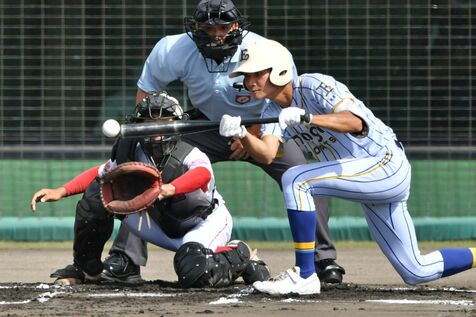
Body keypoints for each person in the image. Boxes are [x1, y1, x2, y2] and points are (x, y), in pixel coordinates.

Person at [104, 0, 344, 285]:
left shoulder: (265, 50)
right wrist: (148, 140)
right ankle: (126, 258)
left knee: (303, 178)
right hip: (207, 125)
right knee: (145, 167)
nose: (216, 34)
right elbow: (146, 94)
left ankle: (322, 260)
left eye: (223, 26)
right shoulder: (172, 49)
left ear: (236, 26)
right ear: (195, 28)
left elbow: (282, 99)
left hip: (264, 125)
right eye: (208, 27)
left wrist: (251, 135)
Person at [218, 39, 476, 295]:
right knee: (416, 271)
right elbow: (266, 154)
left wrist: (309, 117)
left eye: (257, 73)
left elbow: (355, 123)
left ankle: (305, 274)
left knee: (297, 179)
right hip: (367, 177)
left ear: (279, 69)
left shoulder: (314, 84)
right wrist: (242, 133)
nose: (250, 81)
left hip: (385, 164)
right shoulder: (272, 108)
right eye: (246, 75)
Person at [31, 92, 270, 288]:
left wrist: (169, 188)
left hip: (200, 223)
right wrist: (61, 190)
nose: (155, 127)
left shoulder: (191, 154)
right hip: (157, 223)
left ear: (177, 124)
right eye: (147, 121)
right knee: (97, 195)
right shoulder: (132, 151)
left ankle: (241, 255)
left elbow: (202, 175)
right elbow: (101, 172)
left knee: (194, 272)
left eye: (163, 120)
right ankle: (86, 268)